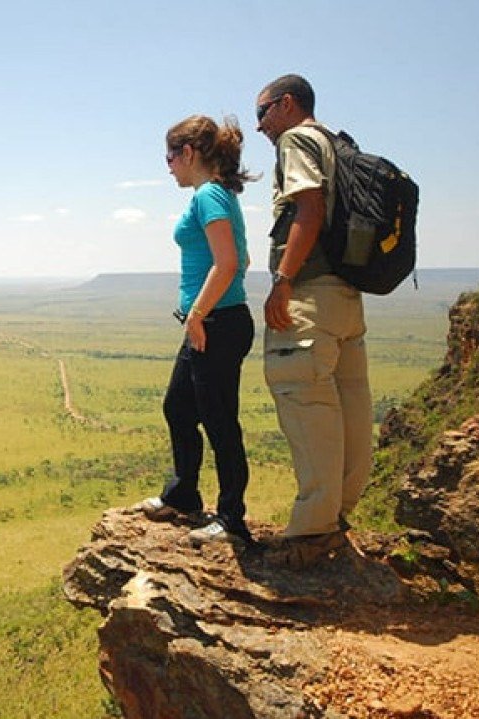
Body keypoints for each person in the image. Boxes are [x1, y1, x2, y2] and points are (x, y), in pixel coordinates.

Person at [254, 74, 372, 567]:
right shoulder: (338, 143)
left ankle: (311, 533)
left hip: (310, 295)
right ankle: (337, 516)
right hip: (346, 298)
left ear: (286, 104)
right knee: (350, 410)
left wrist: (283, 280)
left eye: (262, 112)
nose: (260, 126)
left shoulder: (297, 140)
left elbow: (309, 207)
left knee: (307, 407)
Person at [136, 114, 257, 547]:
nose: (168, 167)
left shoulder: (209, 195)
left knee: (220, 421)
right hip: (213, 321)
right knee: (179, 407)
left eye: (169, 157)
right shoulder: (216, 195)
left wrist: (197, 314)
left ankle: (231, 520)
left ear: (187, 153)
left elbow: (228, 263)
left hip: (215, 323)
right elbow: (241, 259)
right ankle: (183, 495)